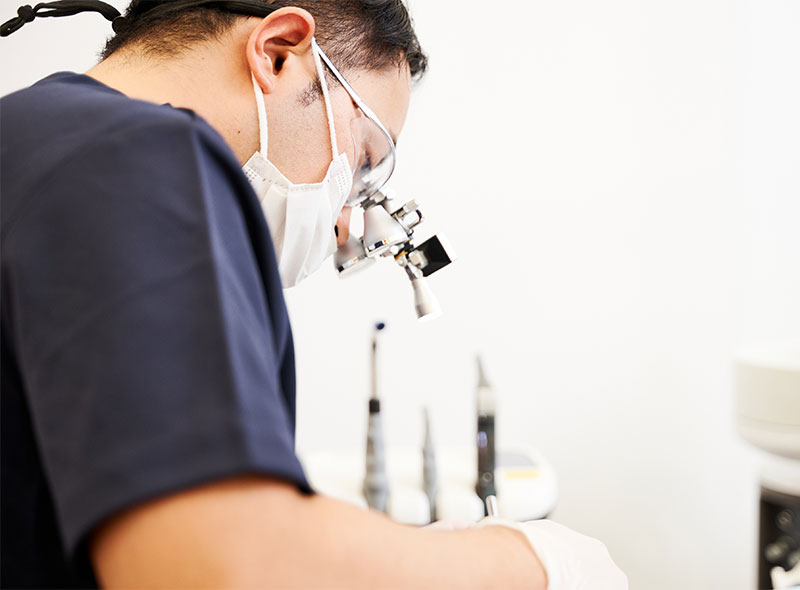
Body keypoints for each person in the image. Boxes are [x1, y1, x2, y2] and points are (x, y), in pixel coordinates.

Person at [0, 1, 628, 588]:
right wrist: (530, 564)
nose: (345, 225)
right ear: (279, 52)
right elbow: (222, 567)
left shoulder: (29, 135)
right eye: (361, 162)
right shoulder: (138, 159)